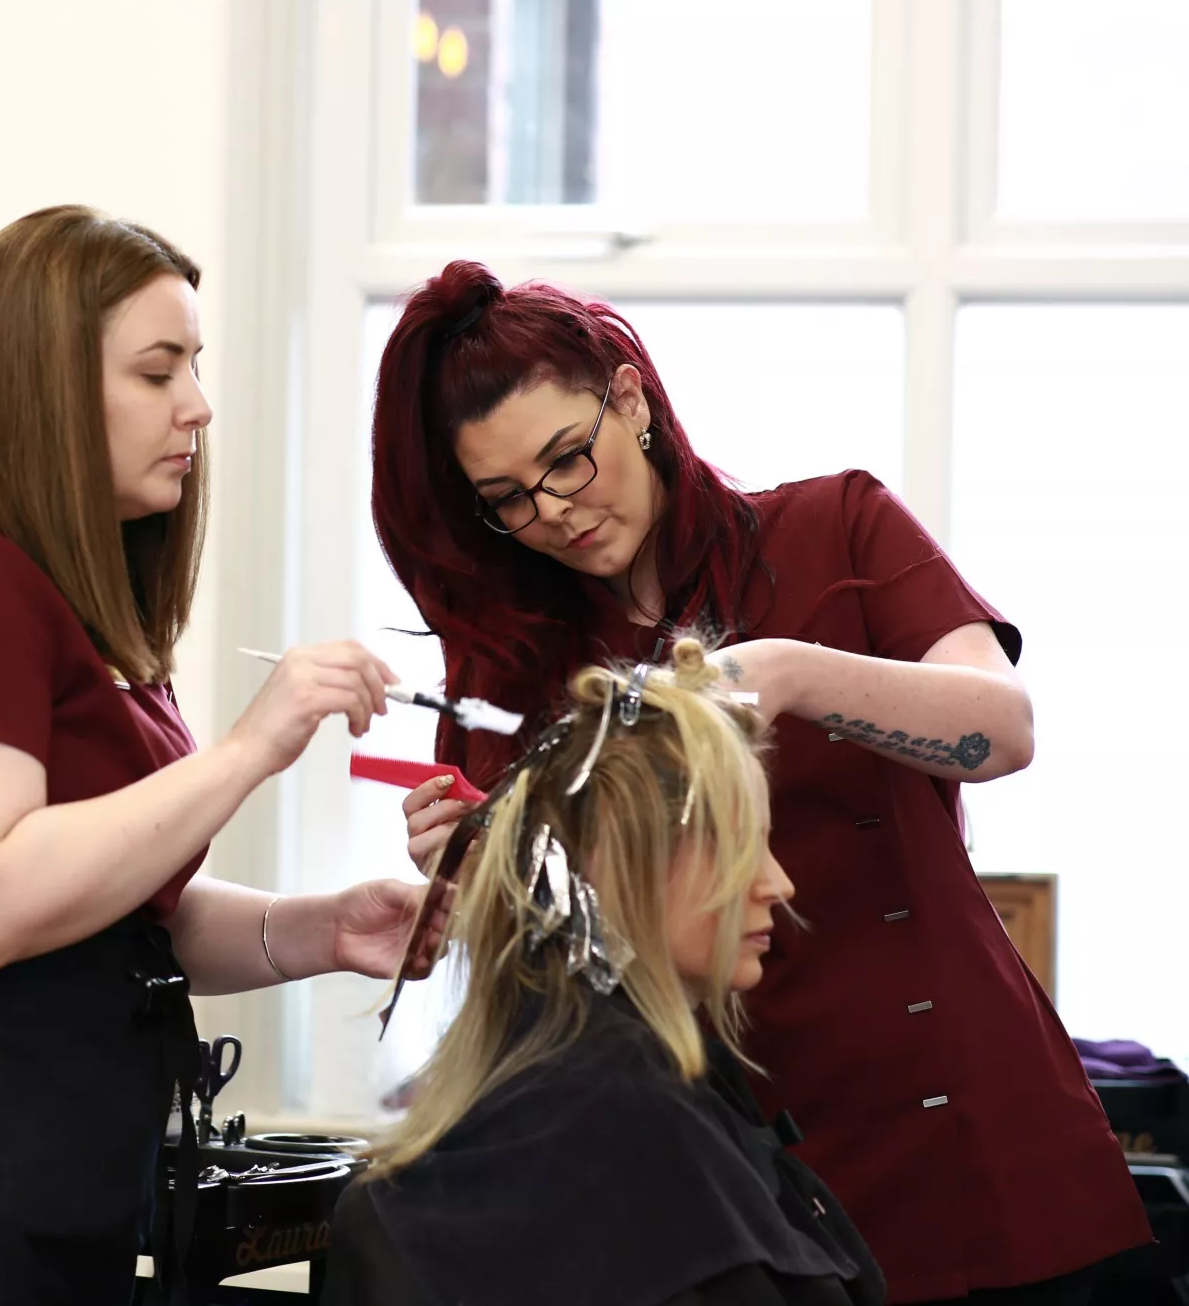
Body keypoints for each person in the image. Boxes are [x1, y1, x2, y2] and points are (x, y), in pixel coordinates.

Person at [371, 267, 1147, 1304]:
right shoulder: (509, 670)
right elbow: (560, 977)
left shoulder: (836, 529)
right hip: (741, 1180)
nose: (554, 511)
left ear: (629, 398)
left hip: (975, 1128)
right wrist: (474, 878)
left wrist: (790, 674)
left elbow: (1001, 731)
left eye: (567, 459)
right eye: (506, 500)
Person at [0, 206, 442, 1306]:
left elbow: (103, 907)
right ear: (42, 385)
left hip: (30, 1174)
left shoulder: (56, 600)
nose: (197, 405)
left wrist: (319, 929)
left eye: (194, 366)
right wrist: (251, 744)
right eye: (158, 371)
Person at [327, 640, 887, 1306]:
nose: (779, 883)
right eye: (740, 847)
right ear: (624, 867)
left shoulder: (594, 1081)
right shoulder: (623, 1118)